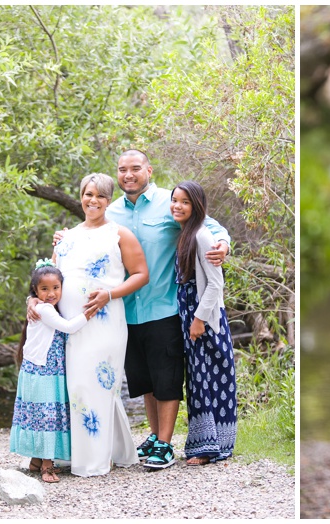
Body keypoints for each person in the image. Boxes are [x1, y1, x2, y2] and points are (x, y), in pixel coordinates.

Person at [105, 149, 231, 469]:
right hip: (128, 310)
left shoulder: (170, 203)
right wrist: (62, 238)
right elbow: (90, 237)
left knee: (167, 378)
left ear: (148, 170)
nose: (128, 174)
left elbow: (209, 226)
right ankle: (155, 435)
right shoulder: (111, 212)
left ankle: (165, 443)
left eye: (135, 168)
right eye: (122, 169)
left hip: (166, 307)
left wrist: (224, 244)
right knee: (145, 381)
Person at [49, 173, 149, 477]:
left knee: (95, 385)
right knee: (79, 386)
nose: (93, 200)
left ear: (109, 200)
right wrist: (36, 302)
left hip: (104, 323)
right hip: (69, 325)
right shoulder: (67, 236)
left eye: (101, 196)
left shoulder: (119, 234)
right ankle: (116, 450)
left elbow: (141, 274)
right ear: (81, 195)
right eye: (88, 194)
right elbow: (51, 277)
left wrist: (109, 293)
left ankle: (93, 462)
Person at [10, 260, 97, 483]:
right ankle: (47, 464)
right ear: (36, 290)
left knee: (43, 413)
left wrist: (31, 300)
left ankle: (36, 459)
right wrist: (89, 313)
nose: (51, 293)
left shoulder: (43, 305)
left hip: (48, 369)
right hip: (42, 371)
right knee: (47, 415)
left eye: (56, 288)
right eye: (44, 289)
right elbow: (68, 327)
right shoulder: (44, 309)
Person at [170, 181, 237, 465]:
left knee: (209, 381)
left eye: (184, 202)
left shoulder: (201, 236)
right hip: (191, 317)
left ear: (197, 205)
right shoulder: (187, 233)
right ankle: (206, 445)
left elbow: (215, 284)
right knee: (198, 381)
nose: (178, 206)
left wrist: (198, 321)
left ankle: (211, 447)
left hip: (206, 320)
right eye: (174, 200)